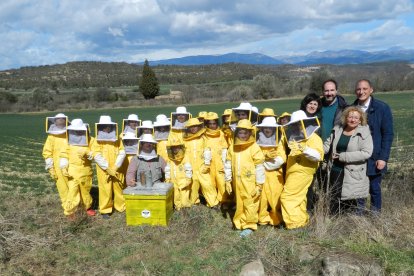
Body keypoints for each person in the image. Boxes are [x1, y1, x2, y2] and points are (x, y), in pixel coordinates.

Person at [352, 79, 393, 213]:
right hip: (357, 158)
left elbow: (387, 134)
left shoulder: (382, 108)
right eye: (359, 89)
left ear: (371, 90)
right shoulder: (351, 109)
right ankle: (359, 218)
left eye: (365, 89)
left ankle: (375, 218)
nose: (361, 92)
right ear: (355, 91)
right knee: (358, 190)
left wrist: (383, 158)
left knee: (375, 189)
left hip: (375, 157)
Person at [323, 107, 373, 215]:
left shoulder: (364, 132)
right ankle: (334, 219)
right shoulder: (337, 129)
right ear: (345, 118)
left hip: (353, 171)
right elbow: (327, 145)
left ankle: (350, 221)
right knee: (334, 195)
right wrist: (316, 150)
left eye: (356, 118)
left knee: (351, 198)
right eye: (350, 117)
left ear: (360, 120)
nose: (352, 120)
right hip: (335, 168)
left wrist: (343, 156)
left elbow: (366, 153)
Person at [280, 110, 323, 229]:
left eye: (299, 123)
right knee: (299, 198)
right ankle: (301, 221)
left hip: (303, 172)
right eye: (295, 124)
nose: (297, 126)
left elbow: (318, 156)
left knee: (287, 197)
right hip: (293, 172)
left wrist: (305, 150)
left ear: (305, 123)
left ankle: (294, 224)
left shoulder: (314, 138)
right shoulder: (295, 137)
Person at [224, 119, 265, 237]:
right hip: (238, 181)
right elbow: (227, 163)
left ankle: (249, 225)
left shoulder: (254, 147)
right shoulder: (233, 147)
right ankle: (240, 222)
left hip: (250, 181)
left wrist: (259, 185)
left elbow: (259, 167)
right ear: (236, 133)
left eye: (245, 133)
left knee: (250, 202)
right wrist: (227, 179)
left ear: (250, 133)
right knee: (240, 201)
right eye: (240, 133)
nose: (242, 135)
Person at [59, 118, 96, 219]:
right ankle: (70, 211)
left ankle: (87, 207)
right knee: (73, 191)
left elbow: (96, 153)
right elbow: (64, 155)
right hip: (72, 171)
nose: (77, 132)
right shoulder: (67, 141)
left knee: (85, 190)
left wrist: (88, 153)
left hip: (85, 170)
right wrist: (63, 166)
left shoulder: (91, 140)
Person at [92, 116, 126, 219]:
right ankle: (105, 210)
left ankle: (121, 207)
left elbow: (122, 151)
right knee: (105, 189)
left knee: (119, 188)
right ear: (100, 127)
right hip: (104, 171)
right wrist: (107, 168)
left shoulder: (117, 139)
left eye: (108, 126)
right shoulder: (97, 141)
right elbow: (96, 155)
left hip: (117, 169)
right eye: (104, 126)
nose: (106, 128)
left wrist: (116, 167)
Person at [256, 117, 286, 226]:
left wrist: (263, 162)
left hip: (275, 174)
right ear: (262, 128)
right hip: (260, 174)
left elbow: (281, 159)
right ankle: (262, 219)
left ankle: (276, 219)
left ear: (274, 129)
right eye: (266, 127)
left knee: (276, 196)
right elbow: (254, 157)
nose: (268, 129)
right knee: (262, 198)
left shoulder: (279, 140)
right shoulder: (256, 140)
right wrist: (264, 157)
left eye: (270, 128)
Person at [183, 118, 218, 208]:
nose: (193, 128)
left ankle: (213, 203)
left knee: (208, 185)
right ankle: (194, 202)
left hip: (202, 167)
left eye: (195, 126)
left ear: (199, 127)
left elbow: (207, 151)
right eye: (191, 127)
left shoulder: (203, 139)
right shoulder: (185, 140)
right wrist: (187, 167)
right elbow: (185, 155)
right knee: (193, 185)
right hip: (191, 168)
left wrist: (207, 164)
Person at [42, 113, 69, 212]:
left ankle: (79, 206)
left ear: (66, 121)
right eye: (58, 120)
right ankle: (69, 210)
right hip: (58, 167)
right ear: (55, 121)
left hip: (71, 164)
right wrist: (51, 167)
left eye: (62, 120)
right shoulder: (51, 136)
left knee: (74, 187)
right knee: (63, 189)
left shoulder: (70, 133)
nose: (60, 121)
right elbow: (47, 152)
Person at [204, 112, 229, 205]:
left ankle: (223, 201)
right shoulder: (204, 135)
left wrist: (224, 162)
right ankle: (213, 201)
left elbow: (224, 148)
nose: (212, 126)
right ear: (207, 124)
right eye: (210, 124)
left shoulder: (221, 134)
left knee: (221, 182)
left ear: (217, 123)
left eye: (214, 123)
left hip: (219, 162)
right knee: (211, 182)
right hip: (209, 162)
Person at [164, 137, 192, 210]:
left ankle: (186, 208)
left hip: (183, 181)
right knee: (176, 196)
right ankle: (178, 208)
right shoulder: (170, 158)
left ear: (180, 147)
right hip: (173, 181)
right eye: (173, 147)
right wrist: (167, 178)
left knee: (184, 196)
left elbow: (188, 168)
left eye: (177, 147)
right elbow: (167, 169)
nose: (175, 149)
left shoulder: (185, 157)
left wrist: (188, 179)